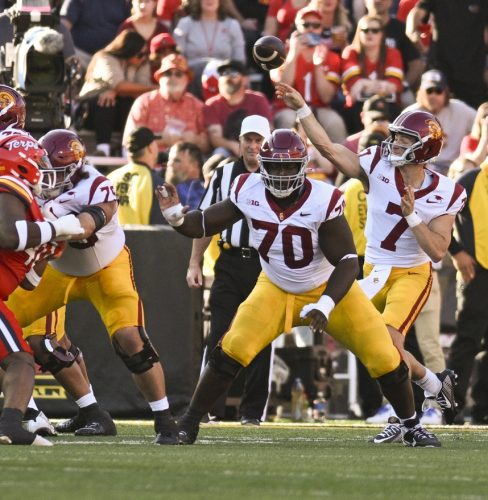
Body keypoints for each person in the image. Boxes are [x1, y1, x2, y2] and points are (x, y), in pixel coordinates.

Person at [158, 128, 444, 448]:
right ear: (262, 165)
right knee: (232, 349)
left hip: (327, 286)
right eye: (274, 166)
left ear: (303, 166)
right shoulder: (246, 188)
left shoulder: (324, 198)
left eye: (288, 167)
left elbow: (348, 261)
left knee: (385, 356)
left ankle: (411, 425)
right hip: (276, 287)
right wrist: (174, 216)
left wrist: (325, 304)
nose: (281, 174)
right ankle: (189, 423)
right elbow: (202, 224)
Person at [275, 81, 466, 440]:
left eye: (406, 140)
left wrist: (412, 217)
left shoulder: (446, 189)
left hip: (411, 272)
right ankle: (434, 385)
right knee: (368, 345)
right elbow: (330, 150)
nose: (395, 144)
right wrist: (302, 108)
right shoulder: (378, 162)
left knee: (390, 346)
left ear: (424, 148)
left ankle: (405, 417)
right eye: (396, 137)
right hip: (374, 269)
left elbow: (439, 250)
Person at [6, 129, 179, 445]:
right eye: (45, 169)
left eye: (56, 171)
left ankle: (165, 419)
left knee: (132, 341)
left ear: (74, 168)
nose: (47, 178)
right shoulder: (35, 188)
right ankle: (59, 414)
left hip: (106, 269)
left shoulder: (97, 185)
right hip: (58, 270)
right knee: (16, 331)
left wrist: (53, 223)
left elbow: (87, 224)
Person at [186, 115, 273, 425]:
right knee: (218, 335)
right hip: (229, 262)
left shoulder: (278, 172)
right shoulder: (223, 174)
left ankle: (252, 412)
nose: (252, 146)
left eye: (258, 140)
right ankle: (207, 407)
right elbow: (206, 221)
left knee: (261, 337)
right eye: (248, 139)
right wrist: (195, 261)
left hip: (266, 265)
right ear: (239, 141)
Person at [0, 132, 85, 446]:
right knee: (21, 360)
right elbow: (8, 235)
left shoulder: (31, 209)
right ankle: (10, 426)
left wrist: (47, 251)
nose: (43, 169)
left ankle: (13, 424)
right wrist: (56, 228)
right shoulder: (11, 186)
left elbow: (28, 283)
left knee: (16, 360)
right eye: (38, 161)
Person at [447, 135, 488, 425]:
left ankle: (486, 408)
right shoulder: (470, 180)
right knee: (467, 342)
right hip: (477, 275)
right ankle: (451, 409)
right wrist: (456, 252)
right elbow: (439, 215)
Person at [271, 6, 347, 144]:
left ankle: (338, 165)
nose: (311, 29)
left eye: (316, 25)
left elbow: (326, 97)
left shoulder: (331, 56)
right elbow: (282, 86)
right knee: (286, 119)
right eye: (306, 25)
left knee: (336, 122)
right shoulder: (282, 53)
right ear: (296, 27)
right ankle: (283, 162)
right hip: (289, 108)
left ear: (321, 29)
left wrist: (317, 65)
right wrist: (293, 54)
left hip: (319, 108)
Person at [79, 30, 157, 157]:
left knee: (129, 103)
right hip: (90, 109)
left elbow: (141, 88)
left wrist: (116, 91)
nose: (144, 57)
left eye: (146, 53)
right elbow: (120, 85)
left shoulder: (142, 62)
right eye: (140, 54)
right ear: (128, 50)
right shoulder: (105, 57)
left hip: (120, 107)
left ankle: (126, 148)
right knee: (106, 100)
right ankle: (103, 149)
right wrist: (157, 88)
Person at [406, 0, 488, 108]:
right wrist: (411, 30)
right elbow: (417, 12)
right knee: (433, 106)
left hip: (472, 67)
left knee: (472, 110)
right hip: (441, 64)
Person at [122, 53, 208, 155]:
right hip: (152, 165)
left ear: (187, 79)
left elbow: (207, 147)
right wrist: (162, 138)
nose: (172, 77)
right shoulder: (144, 102)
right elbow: (130, 141)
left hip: (186, 166)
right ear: (159, 78)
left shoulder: (197, 105)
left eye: (178, 74)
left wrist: (195, 140)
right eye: (167, 74)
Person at [402, 69, 476, 176]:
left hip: (454, 170)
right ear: (421, 92)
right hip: (421, 169)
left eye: (438, 91)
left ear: (446, 93)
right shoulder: (410, 115)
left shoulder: (460, 109)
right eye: (429, 91)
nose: (433, 95)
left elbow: (482, 124)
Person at [341, 14, 404, 133]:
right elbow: (353, 89)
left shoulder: (393, 53)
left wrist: (364, 83)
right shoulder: (350, 52)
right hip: (357, 106)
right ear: (359, 33)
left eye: (375, 30)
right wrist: (380, 86)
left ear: (382, 34)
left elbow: (393, 86)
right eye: (365, 30)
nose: (370, 34)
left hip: (388, 105)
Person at [203, 59, 273, 157]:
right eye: (224, 73)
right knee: (219, 153)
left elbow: (268, 131)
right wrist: (233, 146)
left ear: (245, 79)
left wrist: (251, 147)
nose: (228, 77)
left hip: (256, 148)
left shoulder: (258, 100)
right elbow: (215, 138)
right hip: (228, 151)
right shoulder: (212, 104)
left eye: (233, 73)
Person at [108, 126, 167, 225]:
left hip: (112, 239)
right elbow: (161, 231)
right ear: (151, 148)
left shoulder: (109, 178)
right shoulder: (157, 184)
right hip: (141, 239)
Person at [60, 0, 131, 68]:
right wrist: (69, 55)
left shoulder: (125, 2)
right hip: (78, 54)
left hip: (107, 59)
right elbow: (63, 27)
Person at [165, 141, 205, 209]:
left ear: (194, 165)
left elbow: (196, 217)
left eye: (177, 160)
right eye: (169, 160)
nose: (170, 164)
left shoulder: (193, 190)